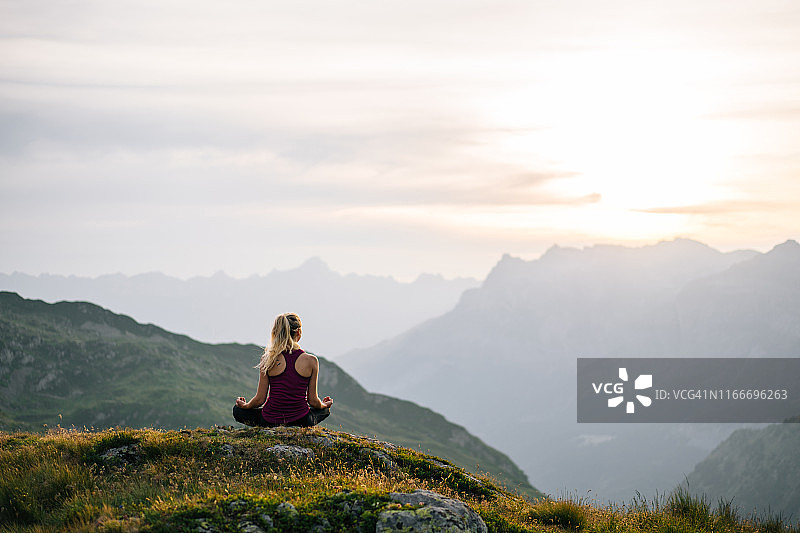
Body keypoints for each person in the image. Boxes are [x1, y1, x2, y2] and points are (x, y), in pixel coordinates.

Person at [233, 312, 333, 427]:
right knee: (324, 411)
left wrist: (244, 406)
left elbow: (260, 399)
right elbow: (313, 401)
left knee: (237, 410)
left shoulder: (268, 359)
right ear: (299, 333)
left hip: (269, 421)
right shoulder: (311, 361)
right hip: (302, 420)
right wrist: (325, 405)